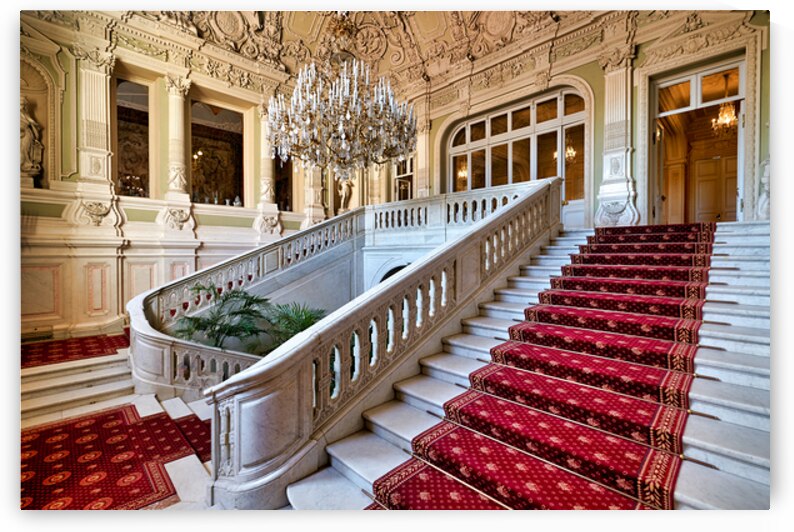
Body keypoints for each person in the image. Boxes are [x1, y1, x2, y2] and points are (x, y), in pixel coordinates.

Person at [20, 96, 44, 177]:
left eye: (23, 104)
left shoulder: (25, 114)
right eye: (20, 104)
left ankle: (25, 165)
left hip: (26, 134)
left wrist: (35, 127)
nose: (21, 106)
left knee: (25, 150)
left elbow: (32, 123)